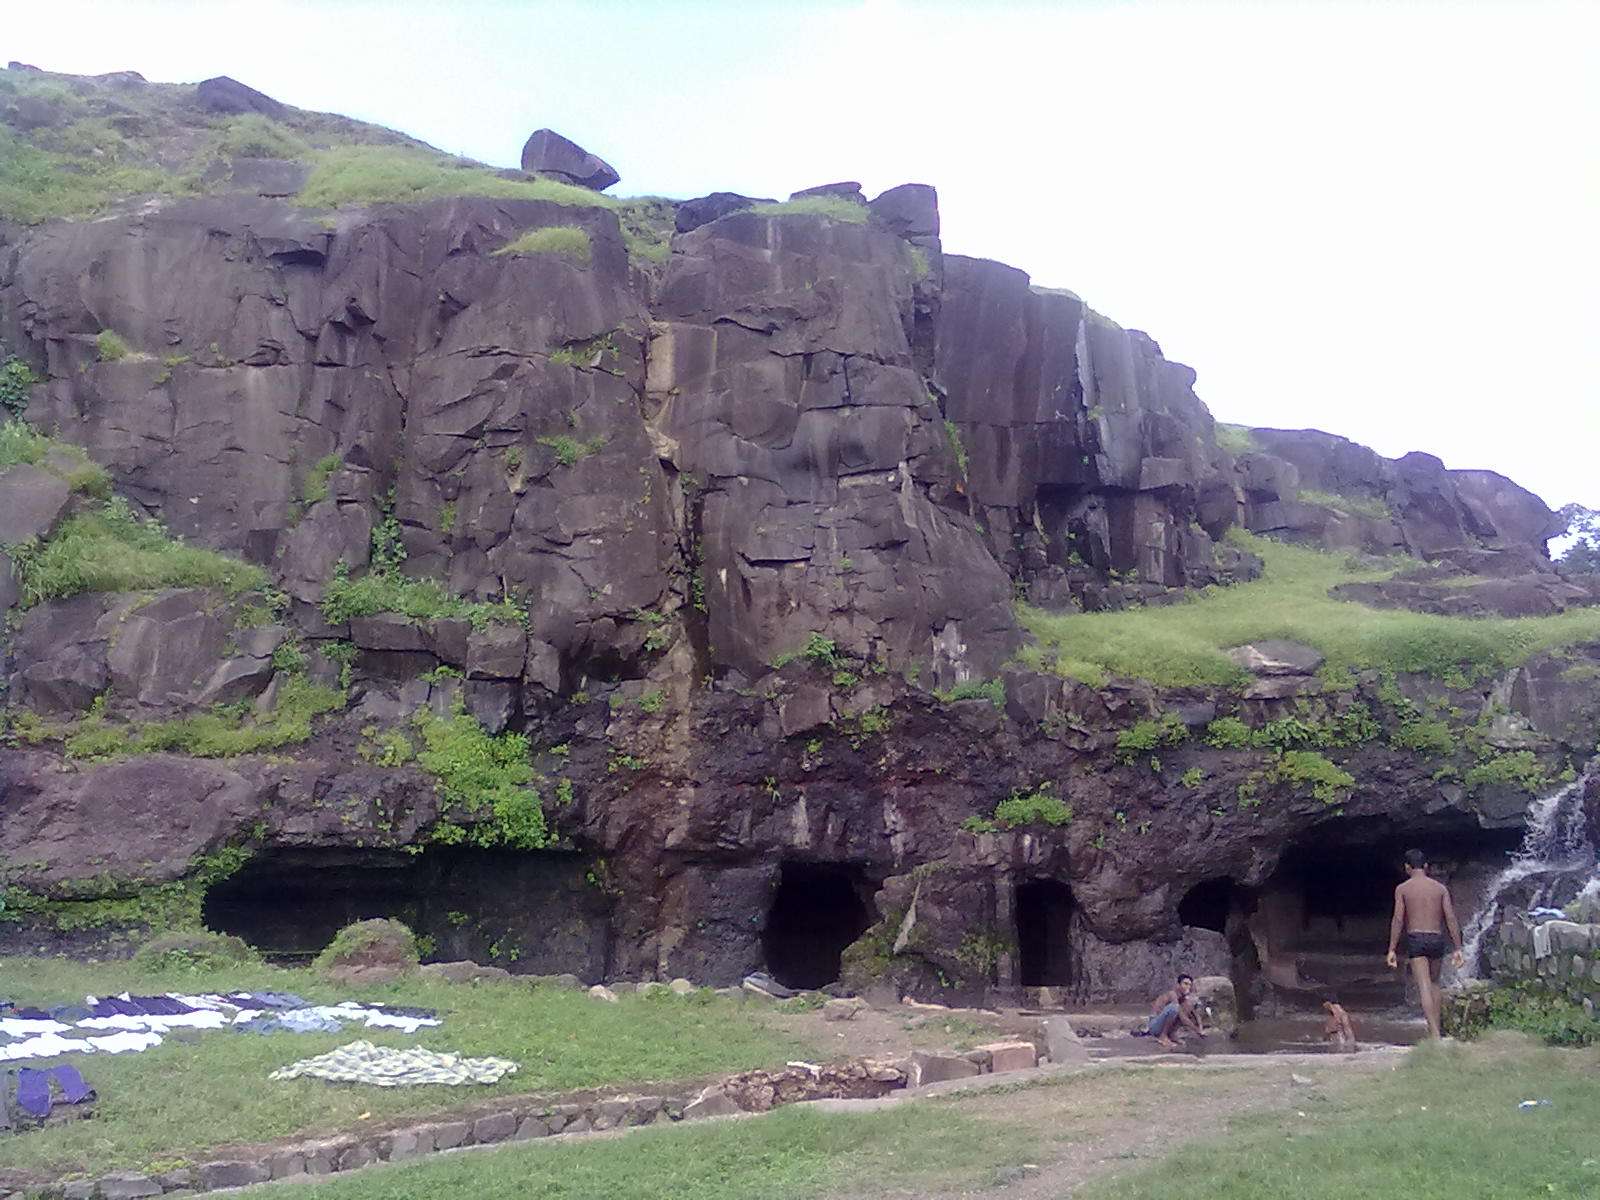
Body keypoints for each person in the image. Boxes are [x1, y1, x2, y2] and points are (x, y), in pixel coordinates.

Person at [1385, 848, 1464, 1038]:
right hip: (1437, 938)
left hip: (1416, 939)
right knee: (1435, 983)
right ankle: (1436, 1029)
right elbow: (1451, 918)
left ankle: (1434, 1034)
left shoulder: (1402, 888)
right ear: (1426, 867)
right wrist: (1458, 947)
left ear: (1407, 867)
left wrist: (1392, 949)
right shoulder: (1440, 888)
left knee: (1424, 987)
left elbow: (1398, 919)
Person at [1144, 973, 1206, 1049]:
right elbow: (1182, 1017)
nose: (1188, 987)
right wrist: (1196, 1030)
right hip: (1154, 1026)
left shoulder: (1183, 998)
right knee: (1174, 1008)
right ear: (1178, 985)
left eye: (1190, 985)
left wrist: (1200, 1027)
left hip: (1162, 1025)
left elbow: (1195, 1013)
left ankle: (1172, 1034)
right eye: (1185, 984)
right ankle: (1163, 1036)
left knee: (1187, 1006)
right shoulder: (1172, 994)